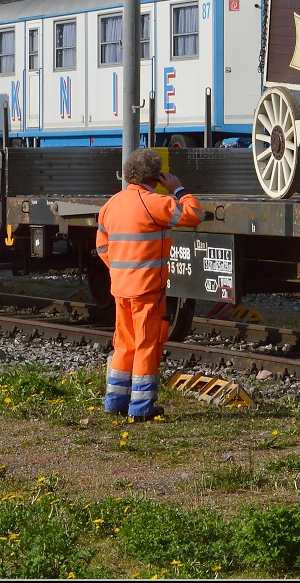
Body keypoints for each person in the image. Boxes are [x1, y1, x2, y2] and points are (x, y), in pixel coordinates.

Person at [97, 148, 203, 421]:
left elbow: (102, 247)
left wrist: (122, 271)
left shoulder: (111, 204)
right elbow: (194, 214)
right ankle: (142, 407)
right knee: (147, 344)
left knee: (124, 344)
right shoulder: (156, 203)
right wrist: (178, 188)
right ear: (156, 177)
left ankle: (115, 401)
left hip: (120, 288)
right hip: (146, 290)